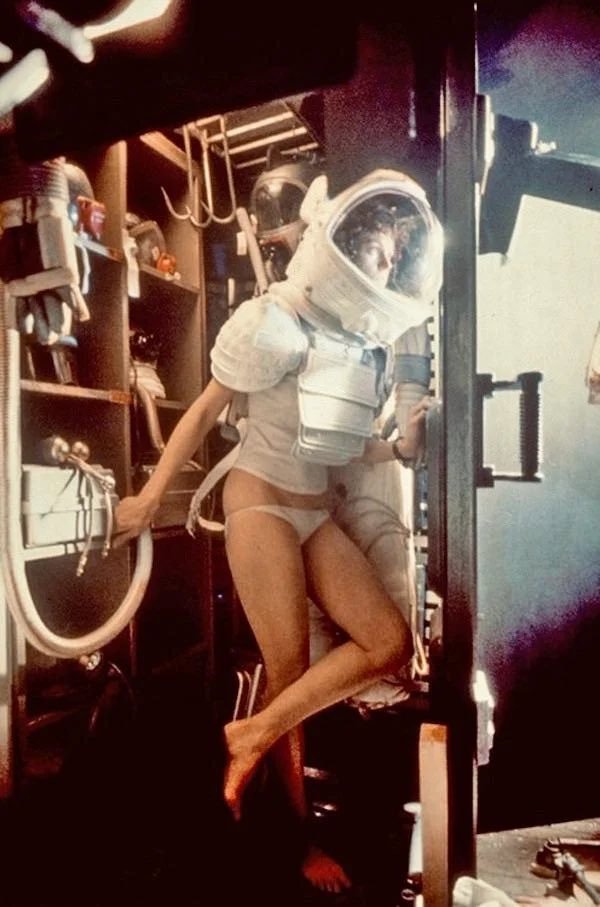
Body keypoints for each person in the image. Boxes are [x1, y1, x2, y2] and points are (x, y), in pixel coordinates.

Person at [112, 168, 443, 893]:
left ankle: (250, 734)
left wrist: (402, 447)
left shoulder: (364, 345)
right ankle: (297, 843)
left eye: (393, 258)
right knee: (287, 673)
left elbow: (344, 443)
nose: (383, 268)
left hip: (313, 509)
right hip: (259, 502)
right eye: (376, 253)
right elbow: (204, 411)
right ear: (346, 244)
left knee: (388, 642)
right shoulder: (274, 319)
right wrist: (148, 497)